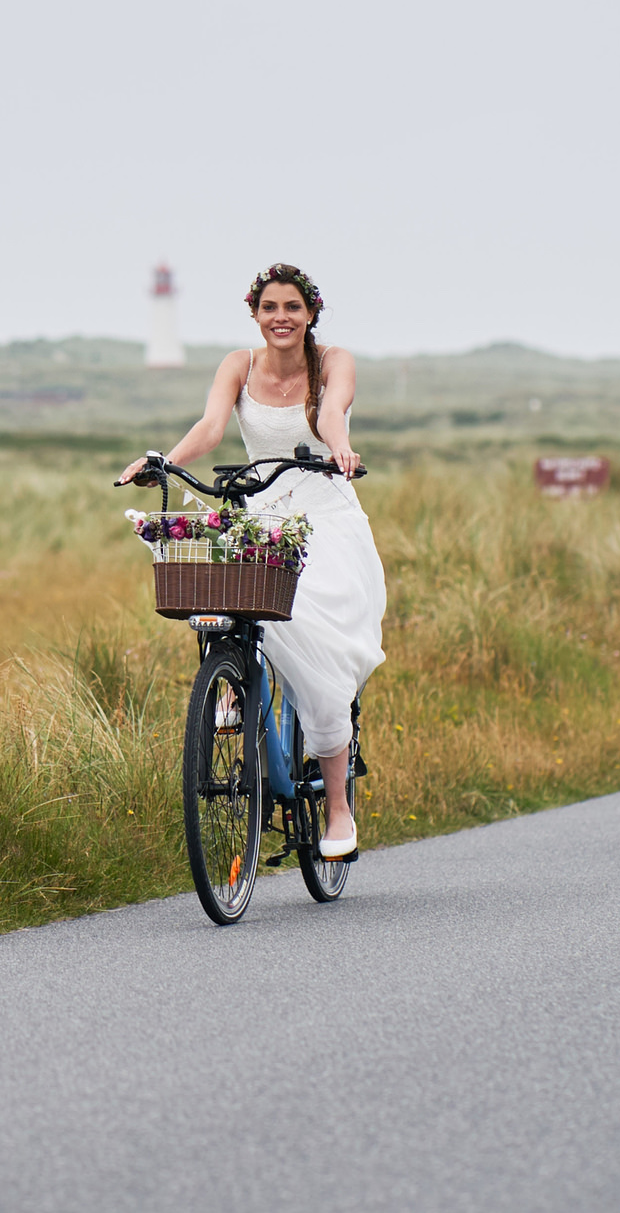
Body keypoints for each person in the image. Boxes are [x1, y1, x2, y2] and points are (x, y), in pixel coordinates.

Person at [118, 262, 387, 858]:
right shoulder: (237, 365)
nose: (281, 318)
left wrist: (339, 449)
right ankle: (235, 684)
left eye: (292, 307)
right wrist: (163, 459)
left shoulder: (333, 362)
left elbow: (330, 415)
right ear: (255, 314)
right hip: (265, 510)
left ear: (311, 312)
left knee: (316, 641)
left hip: (326, 512)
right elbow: (212, 427)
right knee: (228, 593)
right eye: (270, 308)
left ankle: (338, 810)